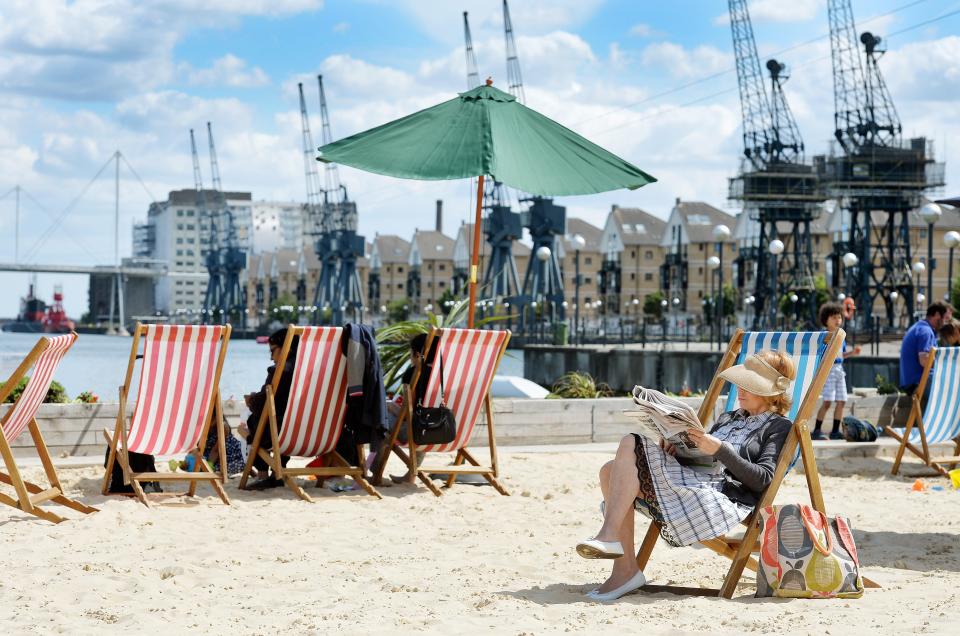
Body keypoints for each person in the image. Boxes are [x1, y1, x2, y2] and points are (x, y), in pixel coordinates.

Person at [575, 350, 796, 602]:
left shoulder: (779, 427)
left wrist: (721, 449)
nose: (739, 390)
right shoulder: (729, 418)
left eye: (749, 385)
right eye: (739, 383)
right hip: (694, 482)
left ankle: (610, 540)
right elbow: (703, 459)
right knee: (609, 470)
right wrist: (677, 449)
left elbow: (763, 479)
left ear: (772, 392)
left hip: (721, 500)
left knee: (630, 441)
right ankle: (624, 569)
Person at [238, 328, 298, 490]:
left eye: (273, 351)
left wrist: (251, 400)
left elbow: (263, 404)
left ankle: (264, 472)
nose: (271, 357)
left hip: (280, 432)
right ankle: (278, 469)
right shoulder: (311, 371)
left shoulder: (280, 370)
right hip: (310, 432)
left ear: (287, 348)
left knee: (253, 422)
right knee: (275, 419)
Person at [812, 302, 861, 441]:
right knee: (827, 401)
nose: (838, 320)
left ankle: (834, 431)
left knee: (842, 400)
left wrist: (852, 353)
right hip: (828, 369)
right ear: (825, 319)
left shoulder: (841, 336)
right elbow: (820, 354)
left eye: (839, 317)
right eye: (834, 317)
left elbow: (840, 355)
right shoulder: (824, 336)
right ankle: (816, 430)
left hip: (839, 369)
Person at [900, 302, 953, 396]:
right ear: (937, 315)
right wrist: (945, 364)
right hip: (918, 382)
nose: (945, 323)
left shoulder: (919, 327)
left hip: (912, 382)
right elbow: (924, 360)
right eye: (944, 318)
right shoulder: (925, 331)